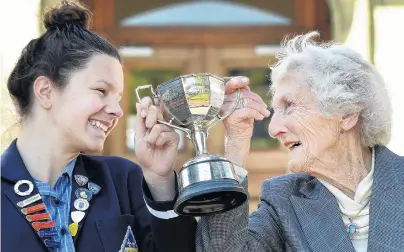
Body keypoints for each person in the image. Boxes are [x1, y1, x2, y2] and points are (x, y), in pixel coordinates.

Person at [1, 1, 199, 251]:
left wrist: (160, 180)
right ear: (45, 91)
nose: (117, 110)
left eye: (117, 98)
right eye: (101, 91)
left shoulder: (125, 180)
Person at [195, 31, 404, 252]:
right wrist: (236, 142)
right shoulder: (285, 199)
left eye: (289, 105)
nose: (274, 129)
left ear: (346, 114)